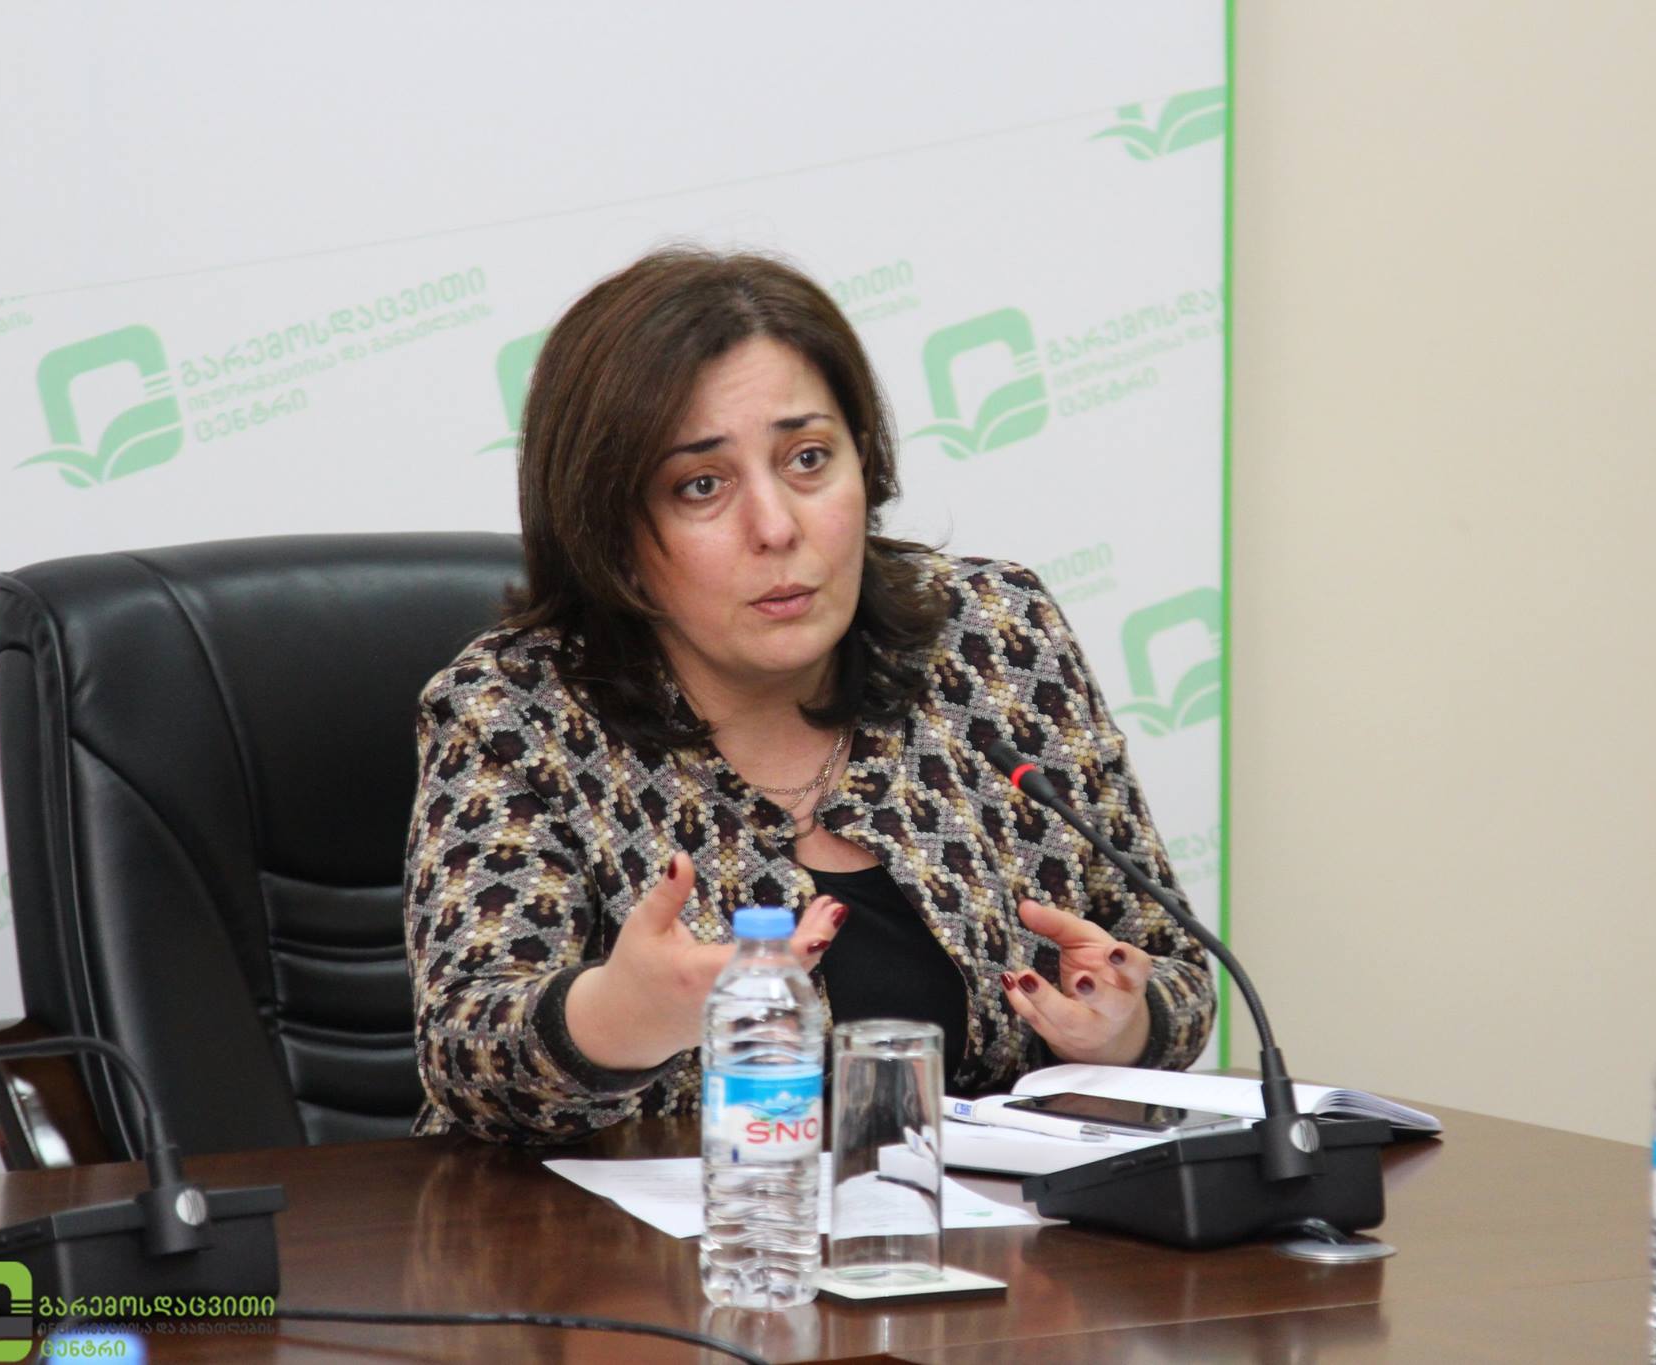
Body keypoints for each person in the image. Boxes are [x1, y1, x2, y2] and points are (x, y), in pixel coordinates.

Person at [402, 247, 1213, 1142]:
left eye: (808, 458)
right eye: (701, 485)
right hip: (633, 1230)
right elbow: (466, 1050)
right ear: (611, 531)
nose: (777, 526)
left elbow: (1170, 964)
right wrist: (619, 1017)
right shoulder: (517, 709)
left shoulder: (992, 638)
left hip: (969, 1222)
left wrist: (1120, 1026)